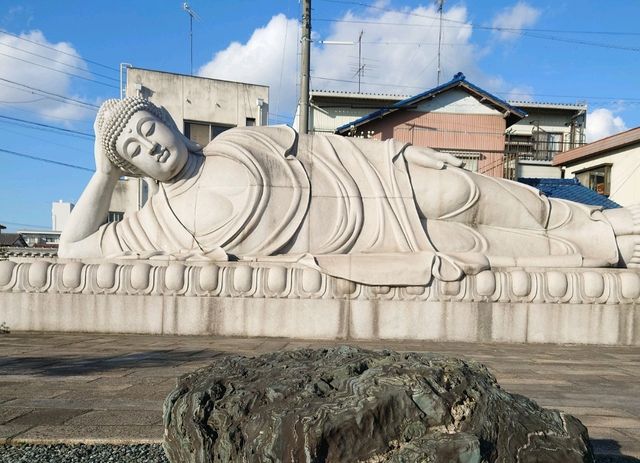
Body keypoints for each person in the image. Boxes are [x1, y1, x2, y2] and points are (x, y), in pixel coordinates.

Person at [59, 96, 640, 285]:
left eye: (145, 130)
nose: (149, 146)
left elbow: (321, 147)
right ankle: (599, 247)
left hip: (372, 179)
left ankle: (588, 219)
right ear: (133, 172)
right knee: (477, 249)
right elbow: (73, 251)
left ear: (164, 117)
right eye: (133, 152)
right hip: (366, 244)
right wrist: (102, 171)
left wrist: (399, 152)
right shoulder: (159, 223)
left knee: (472, 192)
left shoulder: (238, 141)